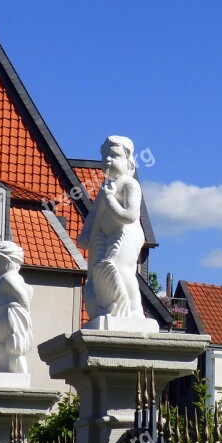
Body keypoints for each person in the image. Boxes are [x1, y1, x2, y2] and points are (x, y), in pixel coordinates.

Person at [77, 136, 145, 320]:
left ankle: (135, 310)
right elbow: (95, 214)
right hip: (105, 234)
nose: (107, 159)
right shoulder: (105, 187)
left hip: (127, 233)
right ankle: (111, 307)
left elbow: (130, 216)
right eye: (104, 155)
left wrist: (109, 199)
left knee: (122, 268)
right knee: (101, 270)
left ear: (127, 160)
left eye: (114, 155)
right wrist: (86, 233)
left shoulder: (130, 185)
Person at [0, 241, 33, 374]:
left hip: (1, 318)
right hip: (1, 317)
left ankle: (5, 366)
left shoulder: (6, 278)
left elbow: (21, 293)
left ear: (4, 260)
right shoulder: (17, 278)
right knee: (1, 343)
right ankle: (7, 367)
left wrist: (26, 308)